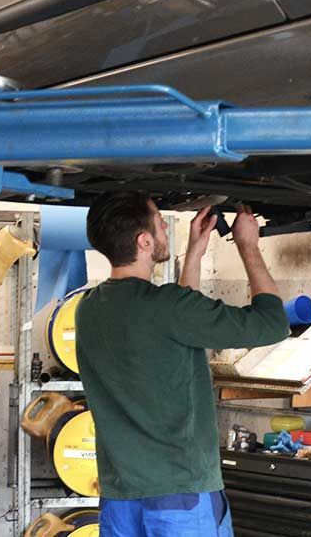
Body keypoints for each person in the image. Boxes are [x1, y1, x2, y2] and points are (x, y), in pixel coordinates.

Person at [75, 193, 291, 536]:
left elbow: (174, 322)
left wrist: (195, 254)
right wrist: (248, 246)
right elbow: (273, 324)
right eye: (160, 222)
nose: (165, 226)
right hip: (181, 494)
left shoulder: (88, 309)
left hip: (120, 497)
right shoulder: (169, 307)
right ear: (144, 241)